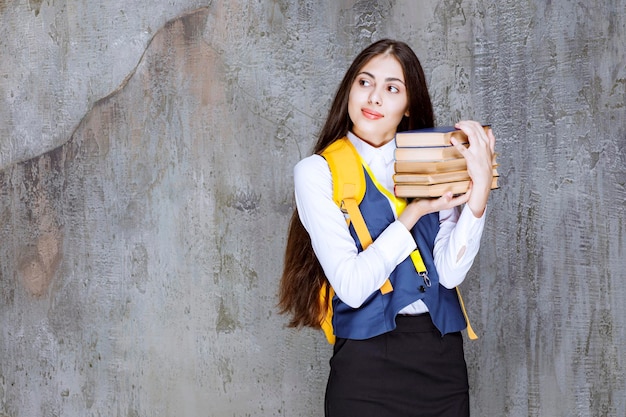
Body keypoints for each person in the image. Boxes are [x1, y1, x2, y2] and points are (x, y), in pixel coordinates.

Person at [278, 39, 496, 417]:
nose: (374, 97)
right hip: (365, 363)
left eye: (392, 88)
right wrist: (413, 214)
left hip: (440, 358)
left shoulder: (436, 156)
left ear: (408, 104)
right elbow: (353, 285)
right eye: (365, 82)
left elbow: (449, 273)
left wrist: (478, 196)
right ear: (350, 88)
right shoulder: (317, 172)